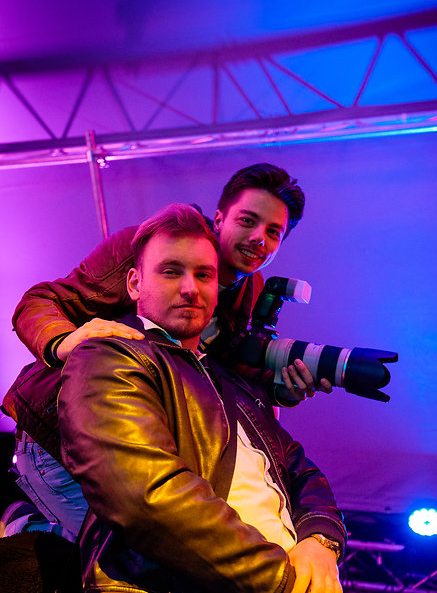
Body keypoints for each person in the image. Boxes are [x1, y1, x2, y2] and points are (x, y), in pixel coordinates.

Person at [56, 202, 361, 593]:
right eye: (171, 271)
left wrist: (320, 546)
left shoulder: (226, 378)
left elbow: (301, 471)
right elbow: (149, 500)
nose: (191, 287)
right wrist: (296, 589)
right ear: (134, 283)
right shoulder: (110, 358)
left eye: (204, 274)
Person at [2, 164, 330, 541]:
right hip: (58, 431)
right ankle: (29, 524)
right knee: (123, 551)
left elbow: (226, 375)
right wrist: (65, 341)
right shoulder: (150, 246)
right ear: (219, 219)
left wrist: (282, 390)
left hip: (142, 436)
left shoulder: (251, 290)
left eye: (273, 232)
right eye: (247, 220)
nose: (259, 238)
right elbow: (39, 302)